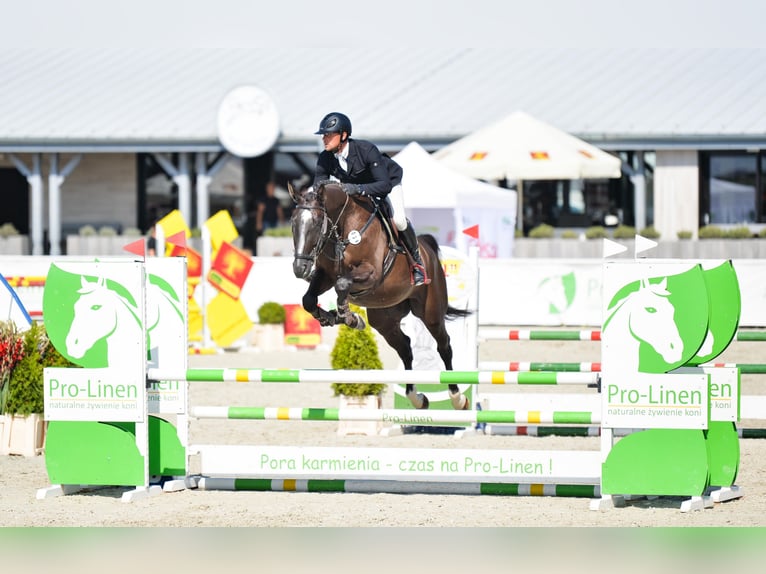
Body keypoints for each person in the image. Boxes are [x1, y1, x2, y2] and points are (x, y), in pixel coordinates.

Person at [312, 112, 428, 286]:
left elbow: (384, 184)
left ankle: (417, 263)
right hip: (356, 190)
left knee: (399, 220)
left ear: (343, 135)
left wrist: (357, 189)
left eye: (329, 135)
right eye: (323, 135)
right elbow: (318, 189)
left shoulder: (366, 150)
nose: (324, 139)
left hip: (386, 182)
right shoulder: (325, 157)